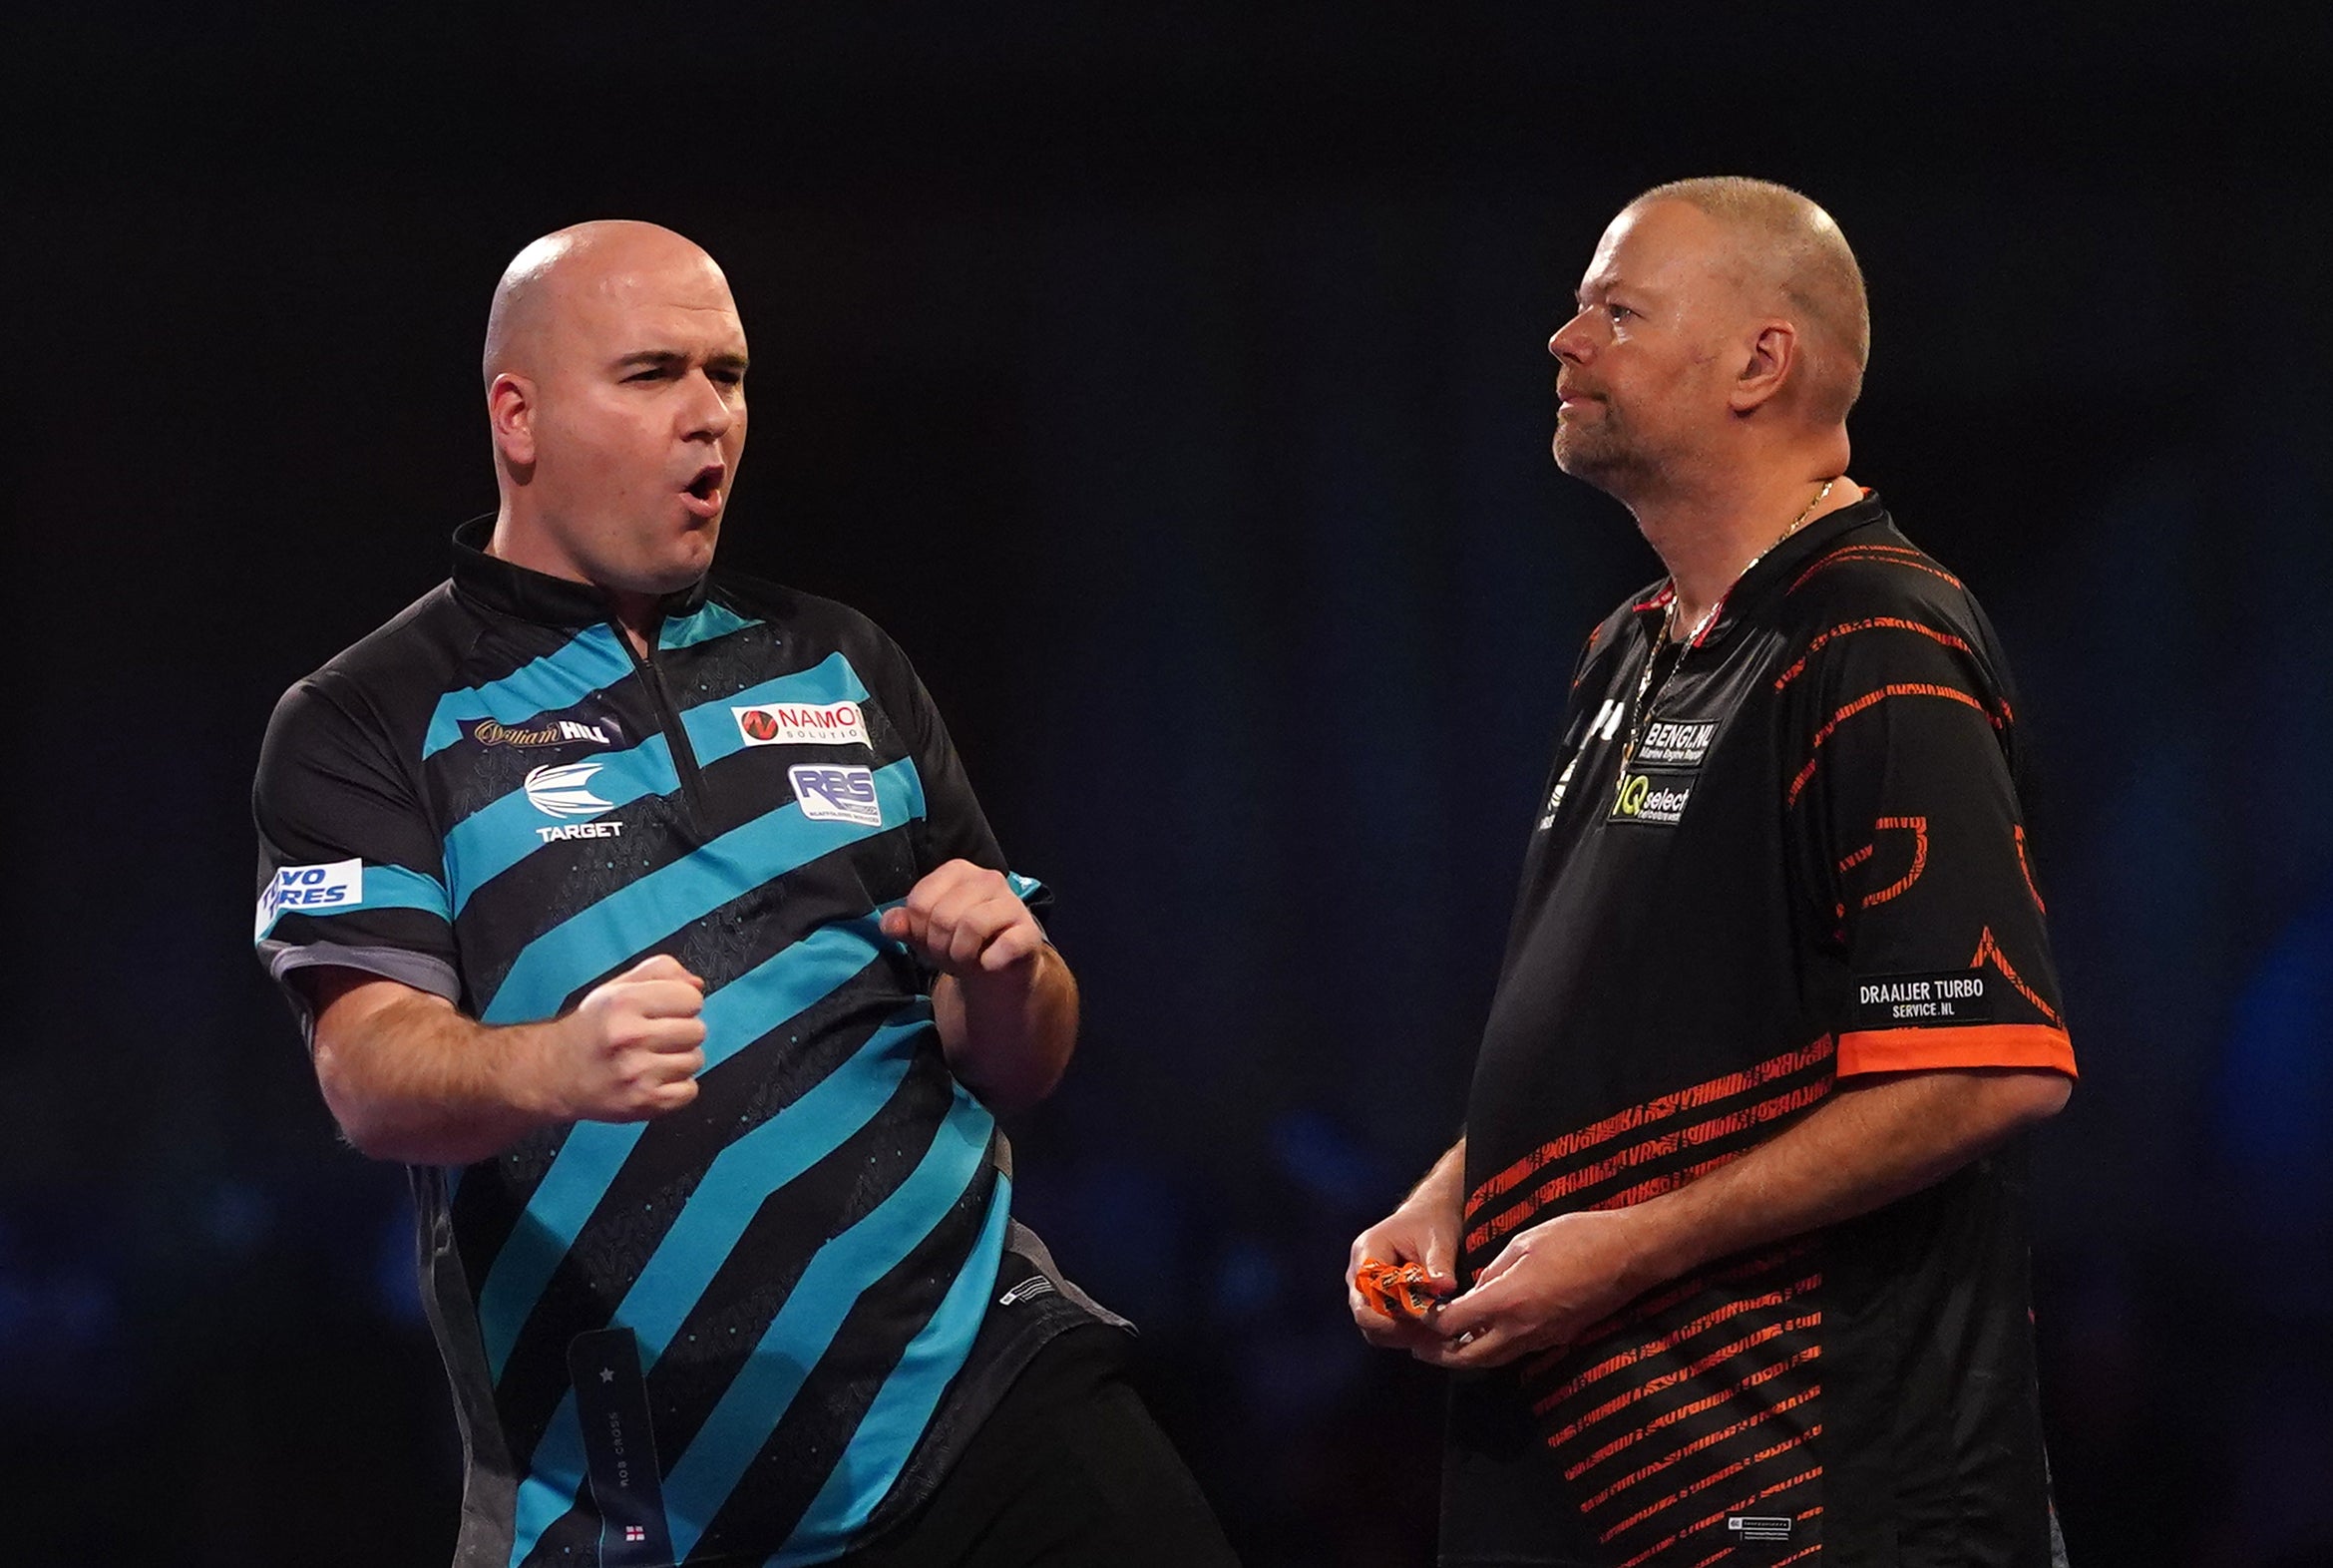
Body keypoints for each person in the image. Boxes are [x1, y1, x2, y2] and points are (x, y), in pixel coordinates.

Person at [252, 220, 1236, 1568]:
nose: (711, 418)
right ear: (517, 416)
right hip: (639, 1487)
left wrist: (1014, 974)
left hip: (981, 1388)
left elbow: (1019, 1061)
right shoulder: (369, 715)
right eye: (656, 374)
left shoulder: (844, 660)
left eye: (731, 375)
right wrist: (553, 1064)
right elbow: (368, 1078)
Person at [1347, 179, 2078, 1567]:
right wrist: (1457, 1192)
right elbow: (1624, 1028)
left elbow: (1988, 1066)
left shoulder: (1875, 642)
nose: (1565, 343)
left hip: (1803, 1478)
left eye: (1616, 312)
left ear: (1761, 361)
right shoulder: (1630, 647)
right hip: (1580, 1443)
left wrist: (1630, 1246)